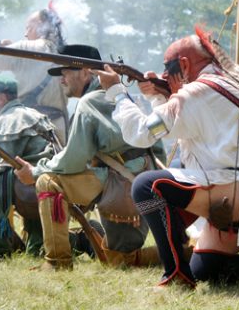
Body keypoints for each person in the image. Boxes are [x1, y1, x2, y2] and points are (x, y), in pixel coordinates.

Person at [95, 28, 239, 289]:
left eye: (168, 67)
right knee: (206, 269)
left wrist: (117, 93)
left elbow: (142, 133)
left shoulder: (198, 92)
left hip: (233, 189)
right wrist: (159, 95)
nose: (165, 74)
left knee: (147, 186)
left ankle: (175, 275)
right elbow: (181, 125)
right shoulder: (229, 85)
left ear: (186, 64)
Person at [14, 44, 160, 271]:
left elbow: (73, 160)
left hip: (121, 186)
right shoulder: (125, 97)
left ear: (85, 72)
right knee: (121, 260)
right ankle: (184, 252)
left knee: (48, 182)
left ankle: (56, 263)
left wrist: (35, 172)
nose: (62, 80)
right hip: (136, 183)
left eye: (66, 73)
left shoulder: (90, 101)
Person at [0, 75, 57, 260]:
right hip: (45, 180)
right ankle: (76, 241)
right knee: (35, 252)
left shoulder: (11, 118)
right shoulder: (29, 113)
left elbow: (1, 164)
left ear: (1, 97)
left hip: (33, 185)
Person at [0, 3, 69, 143]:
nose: (25, 34)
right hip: (60, 129)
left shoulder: (25, 48)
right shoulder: (64, 53)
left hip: (31, 129)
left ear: (40, 24)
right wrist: (12, 48)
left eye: (29, 28)